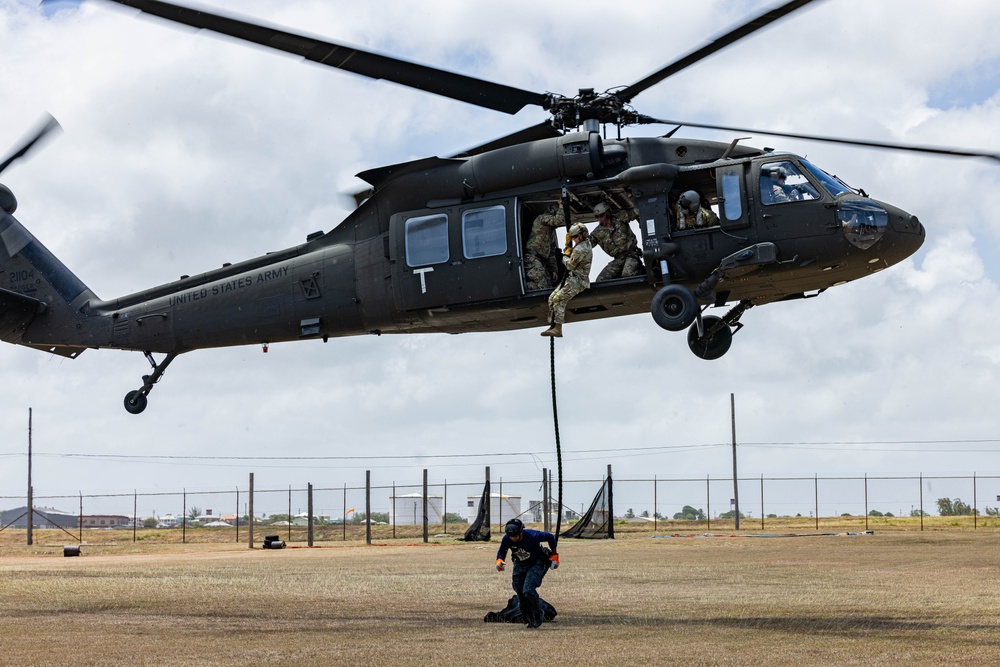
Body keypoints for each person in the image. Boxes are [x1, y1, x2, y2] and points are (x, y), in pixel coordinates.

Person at [495, 518, 559, 629]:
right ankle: (528, 616)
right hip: (520, 563)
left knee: (528, 590)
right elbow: (502, 551)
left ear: (521, 532)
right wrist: (499, 561)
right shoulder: (507, 539)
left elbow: (550, 537)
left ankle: (538, 613)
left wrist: (554, 556)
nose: (513, 539)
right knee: (519, 591)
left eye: (515, 536)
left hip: (536, 562)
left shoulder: (533, 535)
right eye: (511, 536)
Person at [541, 222, 592, 338]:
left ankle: (558, 329)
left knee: (559, 299)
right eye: (572, 237)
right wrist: (569, 247)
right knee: (551, 298)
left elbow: (569, 265)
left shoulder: (581, 249)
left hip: (579, 281)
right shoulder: (584, 243)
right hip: (572, 278)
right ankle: (553, 325)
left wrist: (564, 256)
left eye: (575, 237)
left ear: (582, 235)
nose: (574, 239)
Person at [589, 201, 642, 281]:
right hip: (618, 259)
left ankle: (641, 271)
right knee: (600, 280)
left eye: (601, 215)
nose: (599, 218)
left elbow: (636, 212)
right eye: (597, 216)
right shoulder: (597, 233)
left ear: (607, 213)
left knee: (627, 275)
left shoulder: (620, 217)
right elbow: (586, 245)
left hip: (632, 254)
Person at [524, 202, 565, 291]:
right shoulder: (542, 218)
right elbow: (558, 220)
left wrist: (553, 270)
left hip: (541, 261)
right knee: (542, 288)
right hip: (532, 258)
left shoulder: (550, 233)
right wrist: (561, 206)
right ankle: (523, 287)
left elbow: (551, 252)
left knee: (549, 287)